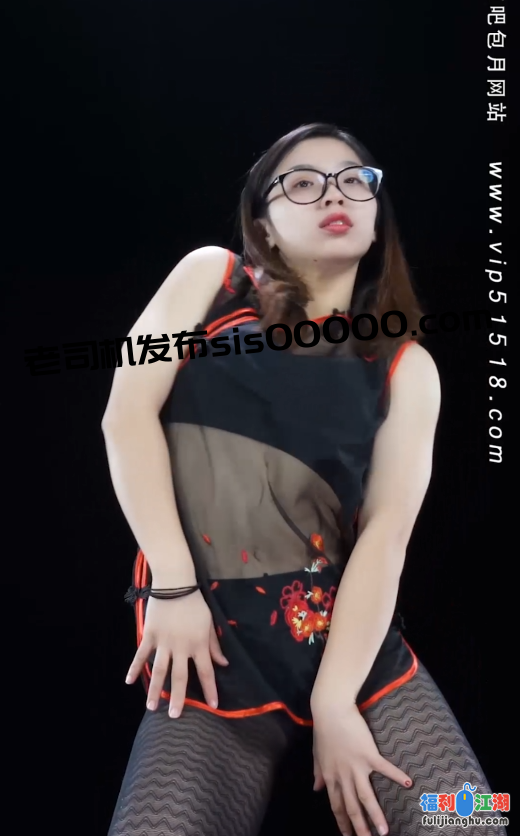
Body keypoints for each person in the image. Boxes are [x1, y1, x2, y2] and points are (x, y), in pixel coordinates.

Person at [102, 123, 506, 836]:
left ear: (376, 217)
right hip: (212, 655)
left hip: (356, 658)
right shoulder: (210, 281)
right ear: (263, 223)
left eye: (355, 180)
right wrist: (173, 583)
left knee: (473, 817)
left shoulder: (406, 366)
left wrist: (335, 700)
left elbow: (385, 537)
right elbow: (125, 415)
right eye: (302, 182)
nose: (333, 194)